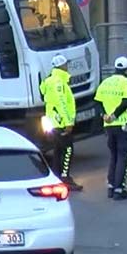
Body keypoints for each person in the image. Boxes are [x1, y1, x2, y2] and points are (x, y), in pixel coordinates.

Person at [95, 56, 127, 200]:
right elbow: (126, 102)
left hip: (108, 125)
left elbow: (98, 102)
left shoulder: (106, 82)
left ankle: (111, 187)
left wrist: (105, 115)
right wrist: (114, 115)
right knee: (123, 157)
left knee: (114, 156)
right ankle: (119, 189)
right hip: (122, 124)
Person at [40, 54, 82, 191]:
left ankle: (57, 178)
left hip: (53, 122)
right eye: (66, 64)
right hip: (61, 123)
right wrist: (68, 122)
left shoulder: (49, 81)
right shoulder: (59, 82)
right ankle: (65, 179)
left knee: (58, 151)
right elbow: (62, 103)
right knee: (68, 150)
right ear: (62, 66)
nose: (67, 66)